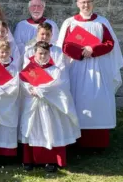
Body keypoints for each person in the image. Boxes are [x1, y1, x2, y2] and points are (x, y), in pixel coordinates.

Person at [56, 0, 123, 150]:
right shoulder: (70, 23)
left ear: (93, 3)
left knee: (97, 101)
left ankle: (97, 142)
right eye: (82, 2)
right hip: (76, 68)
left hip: (98, 68)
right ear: (77, 4)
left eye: (88, 2)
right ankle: (75, 140)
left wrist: (92, 49)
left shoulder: (102, 22)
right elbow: (64, 46)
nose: (86, 5)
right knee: (77, 99)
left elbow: (109, 43)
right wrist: (80, 52)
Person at [19, 41, 80, 172]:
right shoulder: (29, 69)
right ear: (35, 53)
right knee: (32, 130)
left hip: (49, 105)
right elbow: (23, 82)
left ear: (49, 54)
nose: (42, 56)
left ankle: (50, 160)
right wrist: (30, 89)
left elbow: (58, 85)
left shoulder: (55, 69)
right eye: (40, 53)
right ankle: (29, 160)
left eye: (46, 53)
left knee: (50, 130)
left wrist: (40, 90)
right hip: (33, 104)